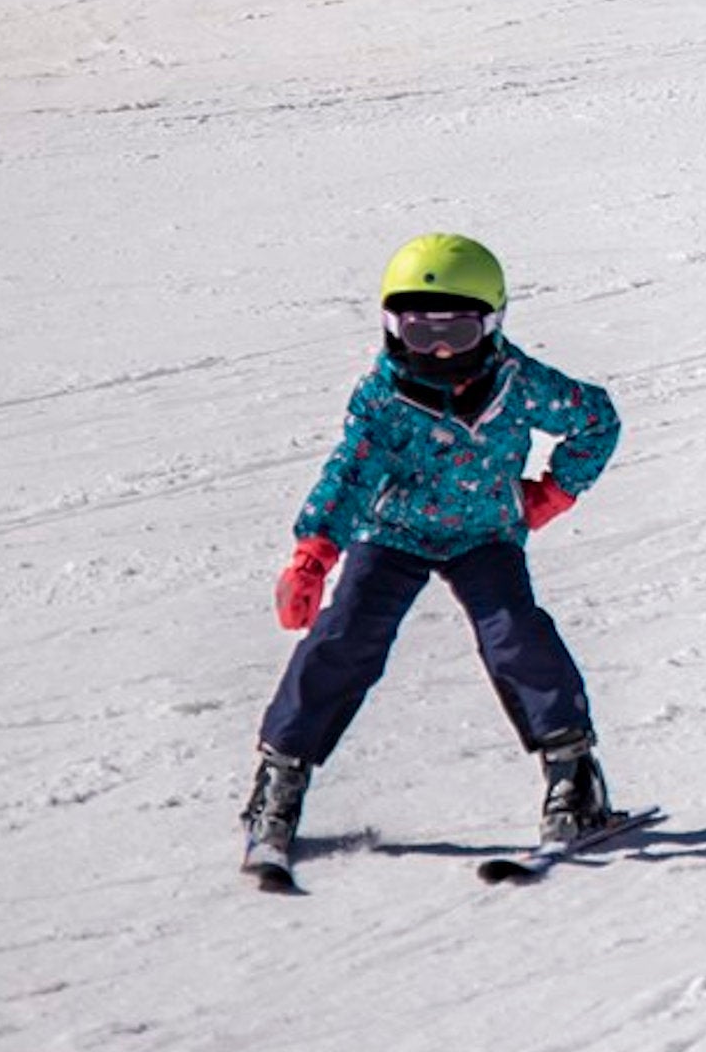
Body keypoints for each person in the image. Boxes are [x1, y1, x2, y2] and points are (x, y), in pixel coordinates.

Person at [242, 233, 624, 880]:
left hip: (485, 535)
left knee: (515, 634)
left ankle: (574, 776)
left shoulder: (519, 382)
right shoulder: (384, 399)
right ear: (393, 328)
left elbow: (596, 419)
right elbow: (349, 475)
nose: (440, 348)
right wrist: (314, 551)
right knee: (346, 636)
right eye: (420, 332)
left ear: (493, 324)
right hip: (391, 535)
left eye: (457, 330)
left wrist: (553, 492)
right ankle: (279, 780)